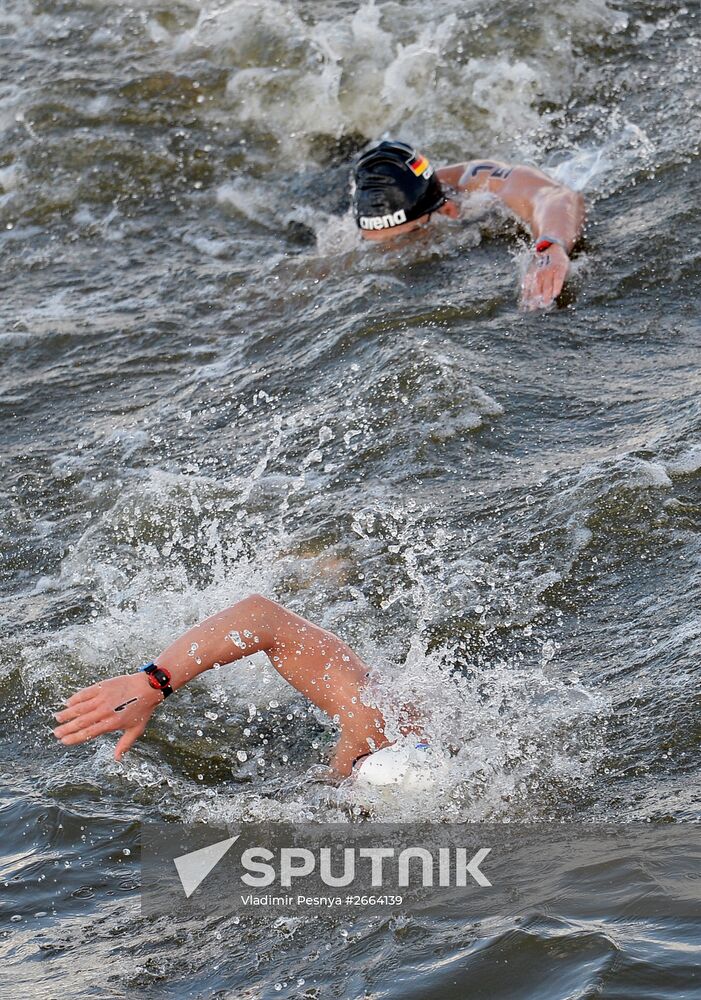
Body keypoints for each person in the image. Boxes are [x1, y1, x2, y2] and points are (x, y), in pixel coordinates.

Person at [53, 593, 422, 780]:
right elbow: (262, 618)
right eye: (356, 766)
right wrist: (153, 683)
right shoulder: (376, 718)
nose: (352, 773)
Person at [352, 140, 586, 311]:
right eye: (373, 243)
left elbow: (555, 196)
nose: (391, 253)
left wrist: (550, 246)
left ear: (448, 211)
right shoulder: (367, 211)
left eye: (404, 238)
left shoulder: (479, 183)